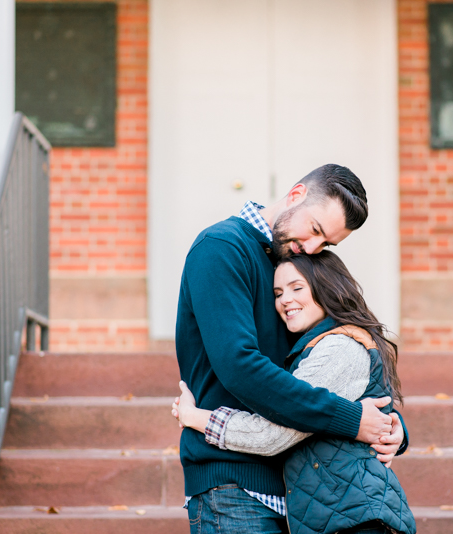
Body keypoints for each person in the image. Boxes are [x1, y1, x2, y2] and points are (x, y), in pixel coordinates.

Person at [175, 164, 408, 534]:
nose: (314, 248)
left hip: (299, 489)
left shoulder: (291, 262)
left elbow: (332, 354)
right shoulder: (222, 248)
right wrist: (351, 419)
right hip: (234, 483)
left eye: (327, 244)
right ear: (296, 195)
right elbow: (240, 366)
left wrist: (388, 424)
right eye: (315, 229)